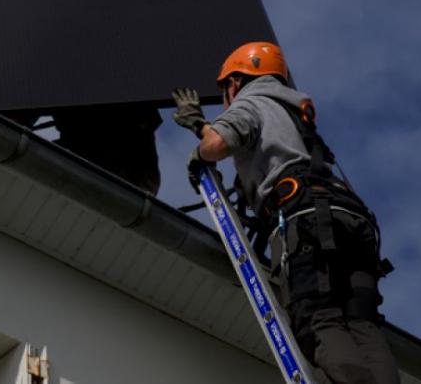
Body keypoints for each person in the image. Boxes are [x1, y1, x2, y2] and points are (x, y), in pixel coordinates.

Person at [171, 41, 399, 384]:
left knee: (317, 319)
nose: (224, 97)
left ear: (236, 81)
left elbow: (217, 145)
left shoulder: (253, 100)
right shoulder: (297, 113)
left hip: (306, 220)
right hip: (350, 219)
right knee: (362, 323)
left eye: (225, 89)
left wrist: (198, 128)